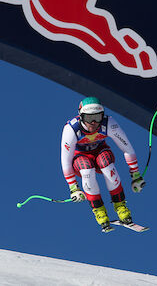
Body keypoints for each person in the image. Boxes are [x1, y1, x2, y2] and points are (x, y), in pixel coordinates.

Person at [61, 97, 145, 231]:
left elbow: (127, 148)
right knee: (87, 170)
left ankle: (120, 205)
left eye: (97, 117)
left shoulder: (108, 123)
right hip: (80, 157)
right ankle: (99, 210)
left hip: (100, 152)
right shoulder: (71, 129)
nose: (94, 123)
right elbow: (65, 161)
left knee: (106, 164)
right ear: (81, 117)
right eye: (89, 118)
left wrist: (135, 175)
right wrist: (73, 188)